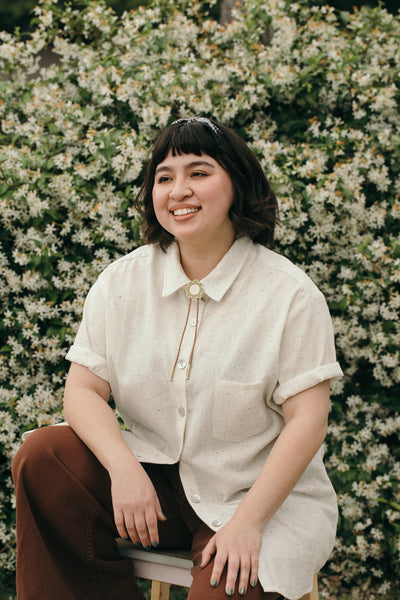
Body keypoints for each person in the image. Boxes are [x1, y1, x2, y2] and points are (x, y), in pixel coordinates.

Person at [12, 117, 343, 600]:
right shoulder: (121, 281)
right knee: (44, 458)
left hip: (256, 500)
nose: (178, 190)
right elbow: (82, 390)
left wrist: (249, 524)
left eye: (199, 172)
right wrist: (125, 470)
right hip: (156, 485)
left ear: (237, 184)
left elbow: (308, 422)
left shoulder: (290, 295)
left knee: (231, 580)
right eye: (164, 177)